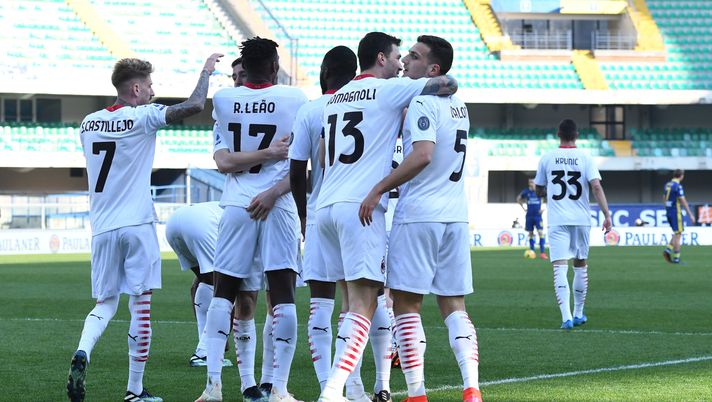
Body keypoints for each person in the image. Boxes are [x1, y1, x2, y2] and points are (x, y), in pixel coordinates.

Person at [67, 53, 223, 402]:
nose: (153, 92)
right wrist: (205, 70)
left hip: (103, 227)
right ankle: (134, 390)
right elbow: (196, 104)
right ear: (135, 88)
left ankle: (82, 352)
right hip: (136, 224)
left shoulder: (88, 123)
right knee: (141, 306)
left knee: (105, 303)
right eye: (150, 86)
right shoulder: (143, 117)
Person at [316, 31, 458, 402]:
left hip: (326, 208)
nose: (400, 64)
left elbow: (320, 155)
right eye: (398, 57)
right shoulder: (388, 90)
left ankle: (356, 389)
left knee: (348, 304)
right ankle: (332, 392)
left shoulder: (334, 98)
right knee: (366, 305)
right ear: (381, 58)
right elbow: (446, 82)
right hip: (360, 208)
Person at [359, 35, 481, 402]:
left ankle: (416, 393)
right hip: (455, 217)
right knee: (454, 305)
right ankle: (472, 388)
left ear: (432, 70)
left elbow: (423, 155)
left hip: (419, 216)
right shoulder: (459, 105)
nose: (406, 62)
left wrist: (380, 187)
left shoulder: (424, 102)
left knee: (407, 305)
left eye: (414, 57)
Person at [195, 37, 307, 402]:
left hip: (238, 201)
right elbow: (300, 162)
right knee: (283, 295)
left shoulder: (224, 99)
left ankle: (213, 385)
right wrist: (274, 158)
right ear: (275, 67)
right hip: (280, 201)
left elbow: (225, 158)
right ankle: (279, 387)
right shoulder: (295, 99)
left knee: (223, 293)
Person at [289, 46, 357, 393]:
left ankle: (325, 387)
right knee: (360, 304)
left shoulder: (311, 109)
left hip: (319, 212)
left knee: (321, 303)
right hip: (359, 212)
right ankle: (356, 388)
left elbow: (296, 168)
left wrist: (302, 213)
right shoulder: (367, 102)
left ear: (325, 71)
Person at [533, 119, 612, 330]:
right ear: (576, 135)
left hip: (558, 220)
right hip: (581, 220)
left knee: (559, 267)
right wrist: (606, 214)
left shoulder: (547, 158)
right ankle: (578, 313)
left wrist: (543, 192)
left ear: (558, 133)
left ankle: (566, 317)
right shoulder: (585, 158)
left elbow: (538, 188)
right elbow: (596, 186)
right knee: (580, 265)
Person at [663, 169, 695, 263]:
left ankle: (668, 250)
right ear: (681, 176)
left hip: (669, 211)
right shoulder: (678, 186)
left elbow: (663, 198)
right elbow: (682, 200)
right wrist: (690, 214)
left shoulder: (667, 185)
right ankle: (676, 258)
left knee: (677, 233)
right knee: (678, 235)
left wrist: (667, 208)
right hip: (675, 212)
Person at [517, 178, 547, 259]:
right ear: (529, 183)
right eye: (530, 182)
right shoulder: (526, 192)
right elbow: (518, 198)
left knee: (540, 232)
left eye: (533, 182)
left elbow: (549, 198)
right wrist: (523, 208)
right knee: (530, 233)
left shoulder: (540, 191)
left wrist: (543, 209)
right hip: (529, 216)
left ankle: (542, 253)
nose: (532, 183)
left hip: (538, 216)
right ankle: (532, 251)